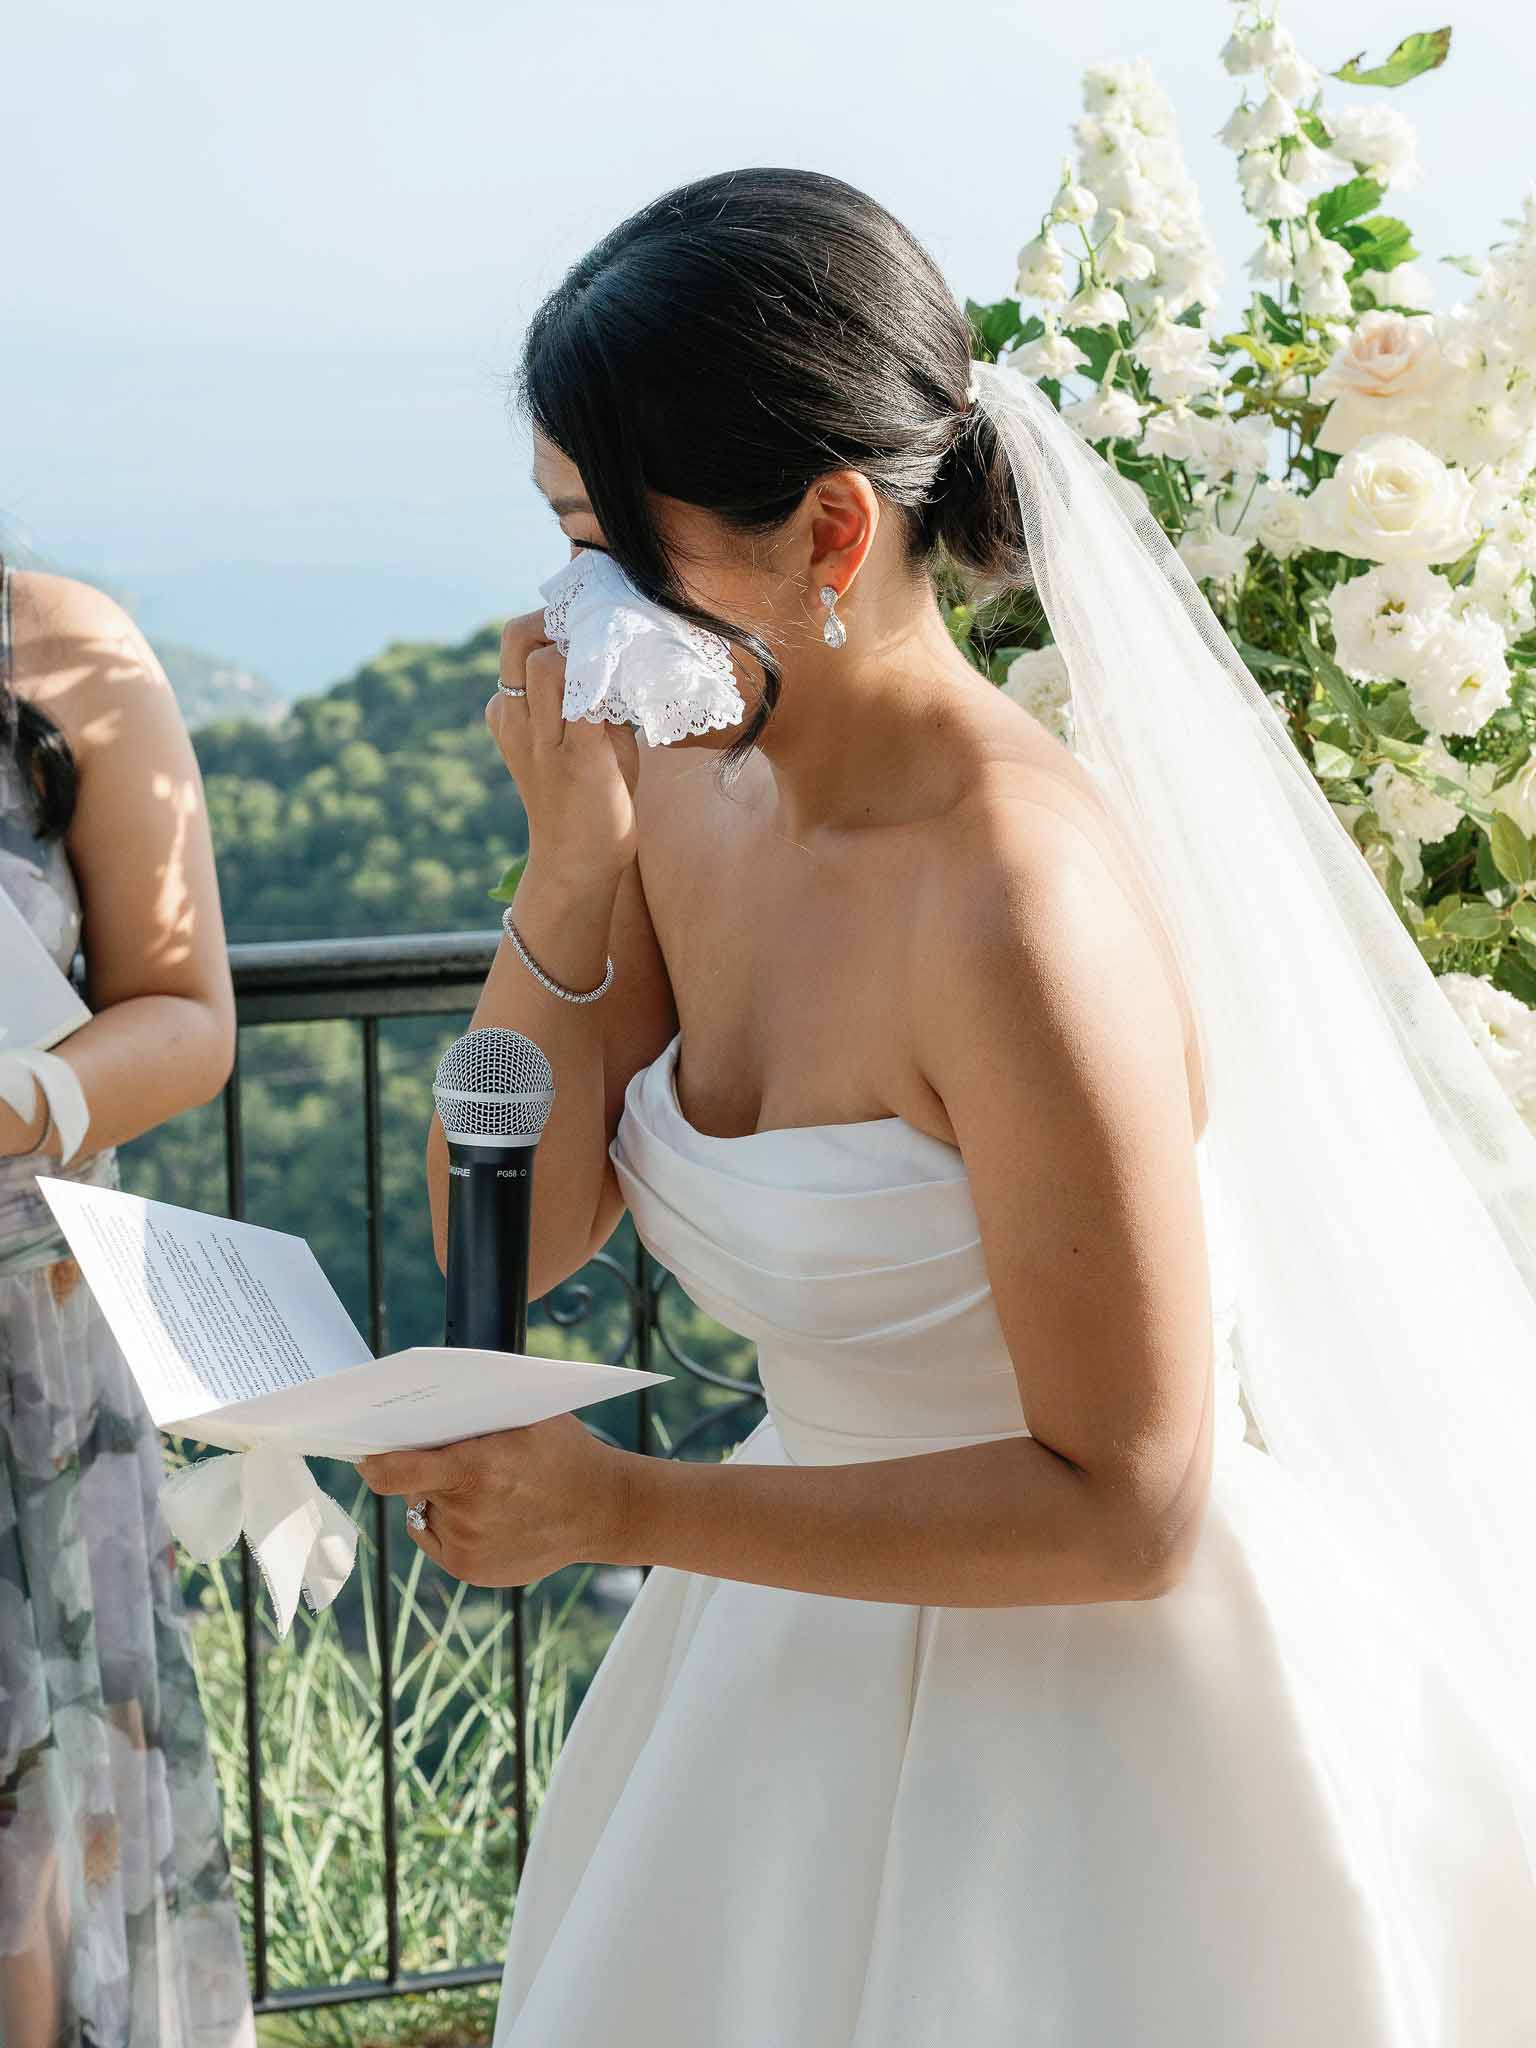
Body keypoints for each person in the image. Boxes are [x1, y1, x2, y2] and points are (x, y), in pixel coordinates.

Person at [361, 169, 1536, 2044]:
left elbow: (1132, 1502)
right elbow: (506, 1231)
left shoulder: (1012, 897)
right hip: (772, 1680)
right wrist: (567, 878)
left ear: (829, 530)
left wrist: (622, 1507)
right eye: (554, 532)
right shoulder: (679, 786)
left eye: (609, 542)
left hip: (1104, 1724)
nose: (566, 602)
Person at [0, 558, 255, 2046]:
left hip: (26, 1364)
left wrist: (25, 1097)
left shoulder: (56, 643)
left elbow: (185, 1013)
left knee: (31, 1881)